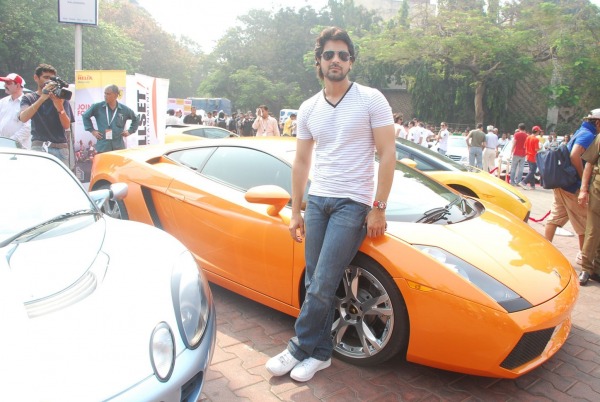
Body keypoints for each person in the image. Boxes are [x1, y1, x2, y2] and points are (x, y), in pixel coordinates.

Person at [265, 26, 395, 383]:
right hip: (318, 201)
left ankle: (297, 346)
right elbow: (302, 162)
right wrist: (296, 211)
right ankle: (320, 353)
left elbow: (387, 154)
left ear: (350, 61)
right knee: (314, 281)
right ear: (318, 62)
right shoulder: (308, 108)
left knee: (322, 282)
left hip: (352, 204)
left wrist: (378, 206)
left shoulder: (371, 99)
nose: (335, 60)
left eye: (342, 55)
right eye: (329, 55)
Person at [545, 111, 598, 266]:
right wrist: (583, 181)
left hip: (562, 182)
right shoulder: (588, 135)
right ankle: (584, 258)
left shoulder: (580, 131)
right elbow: (575, 155)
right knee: (584, 222)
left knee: (555, 217)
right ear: (597, 123)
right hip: (572, 185)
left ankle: (545, 248)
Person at [19, 63, 74, 166]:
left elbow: (66, 125)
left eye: (52, 78)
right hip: (40, 146)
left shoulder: (60, 97)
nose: (49, 81)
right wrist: (42, 98)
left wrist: (60, 107)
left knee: (61, 181)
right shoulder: (29, 97)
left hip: (61, 148)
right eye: (45, 77)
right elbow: (23, 118)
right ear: (36, 78)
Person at [576, 109, 600, 285]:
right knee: (592, 231)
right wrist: (584, 189)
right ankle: (586, 268)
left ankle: (597, 269)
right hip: (598, 191)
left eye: (597, 121)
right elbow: (589, 165)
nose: (596, 125)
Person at [82, 84, 139, 154]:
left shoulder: (124, 110)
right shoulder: (98, 107)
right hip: (103, 147)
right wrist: (92, 131)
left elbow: (136, 118)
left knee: (118, 165)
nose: (105, 96)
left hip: (118, 148)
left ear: (115, 95)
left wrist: (130, 131)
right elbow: (85, 116)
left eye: (108, 94)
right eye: (104, 93)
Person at [0, 73, 31, 148]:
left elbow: (28, 128)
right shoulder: (2, 101)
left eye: (8, 83)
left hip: (20, 147)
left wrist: (11, 141)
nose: (5, 86)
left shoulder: (28, 103)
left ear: (18, 86)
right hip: (2, 145)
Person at [519, 125, 541, 190]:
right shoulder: (536, 139)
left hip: (528, 156)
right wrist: (541, 148)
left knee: (531, 171)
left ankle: (532, 185)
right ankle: (523, 182)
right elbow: (536, 149)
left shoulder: (528, 137)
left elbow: (524, 146)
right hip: (533, 157)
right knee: (532, 171)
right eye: (539, 131)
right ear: (536, 131)